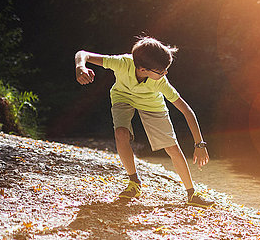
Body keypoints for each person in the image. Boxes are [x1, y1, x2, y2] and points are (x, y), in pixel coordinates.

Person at [74, 36, 214, 208]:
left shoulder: (161, 83)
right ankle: (134, 182)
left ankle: (192, 194)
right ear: (142, 68)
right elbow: (82, 54)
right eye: (161, 71)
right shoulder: (122, 63)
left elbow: (187, 111)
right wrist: (81, 66)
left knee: (171, 147)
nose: (165, 73)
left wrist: (199, 144)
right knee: (121, 133)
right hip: (122, 96)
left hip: (151, 104)